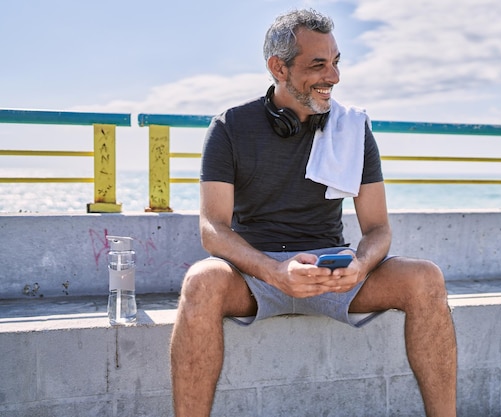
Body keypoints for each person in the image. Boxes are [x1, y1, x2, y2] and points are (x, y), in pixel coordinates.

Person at [170, 8, 457, 417]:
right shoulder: (231, 126)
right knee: (201, 281)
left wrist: (359, 264)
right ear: (278, 67)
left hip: (335, 275)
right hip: (257, 276)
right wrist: (274, 272)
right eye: (318, 65)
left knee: (426, 277)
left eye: (336, 62)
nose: (334, 77)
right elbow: (212, 230)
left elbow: (378, 229)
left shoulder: (353, 128)